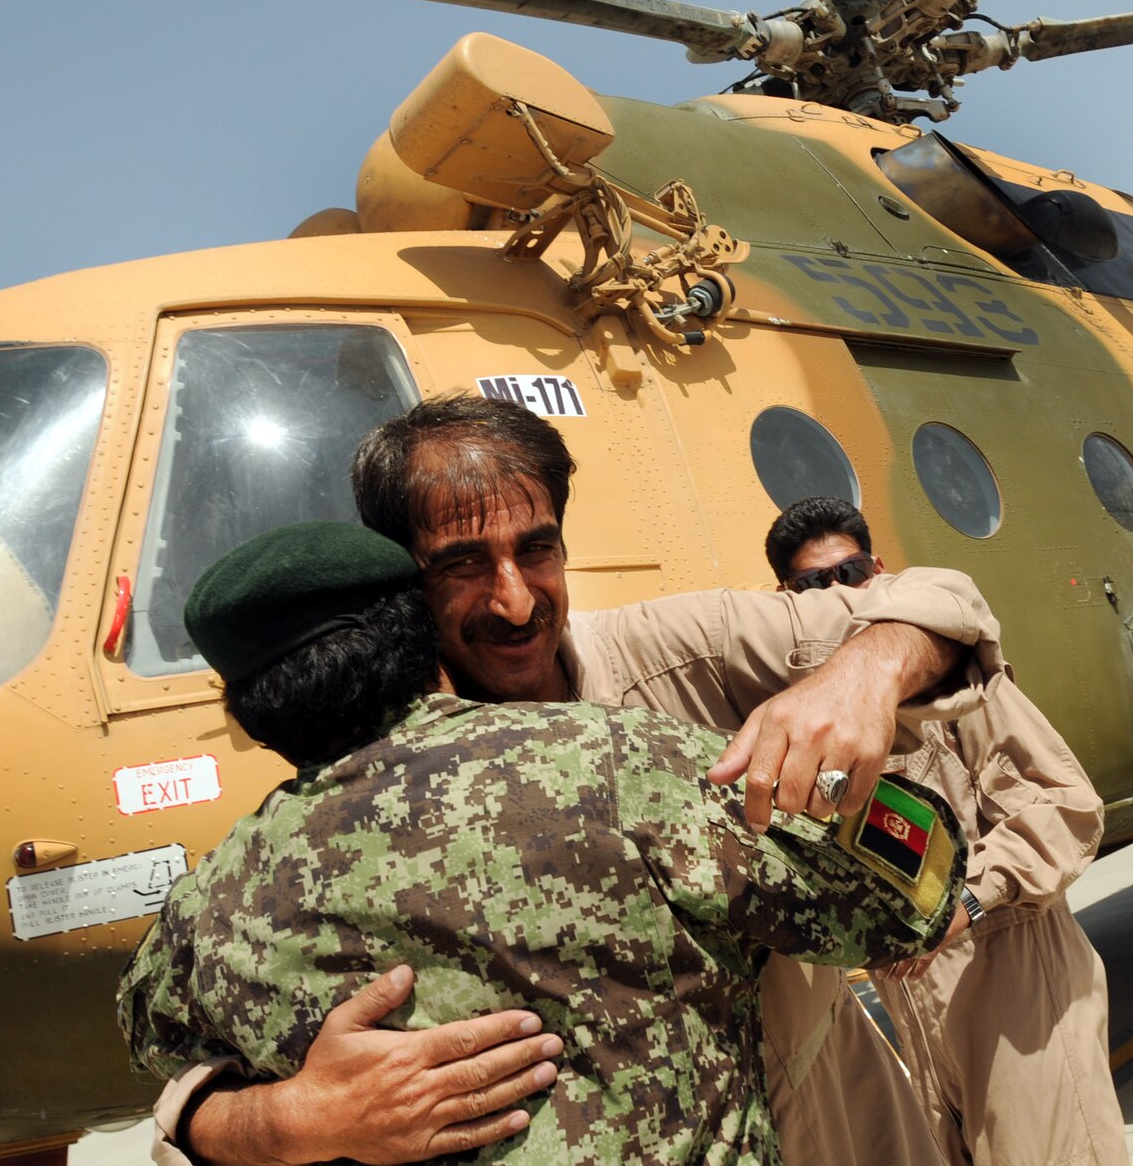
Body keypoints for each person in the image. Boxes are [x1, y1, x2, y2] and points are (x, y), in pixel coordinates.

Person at [134, 393, 1009, 1166]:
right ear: (405, 581)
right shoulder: (625, 765)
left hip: (831, 1108)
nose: (516, 602)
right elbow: (913, 885)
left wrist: (866, 671)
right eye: (464, 564)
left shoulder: (681, 647)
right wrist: (288, 1121)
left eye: (537, 549)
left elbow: (945, 598)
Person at [764, 497, 1130, 1165]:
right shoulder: (826, 723)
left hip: (1018, 987)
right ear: (789, 599)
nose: (839, 593)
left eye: (850, 573)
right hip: (916, 1011)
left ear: (878, 571)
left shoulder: (955, 686)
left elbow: (1063, 804)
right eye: (813, 585)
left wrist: (962, 904)